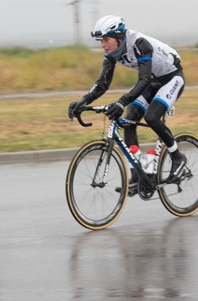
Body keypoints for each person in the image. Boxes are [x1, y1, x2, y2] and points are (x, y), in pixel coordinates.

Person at [68, 15, 187, 193]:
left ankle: (178, 157)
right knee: (129, 119)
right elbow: (102, 84)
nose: (103, 45)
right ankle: (138, 174)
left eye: (106, 40)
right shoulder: (111, 54)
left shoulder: (139, 44)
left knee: (152, 117)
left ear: (118, 37)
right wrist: (83, 101)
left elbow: (144, 79)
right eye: (101, 41)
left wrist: (121, 102)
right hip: (152, 81)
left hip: (171, 78)